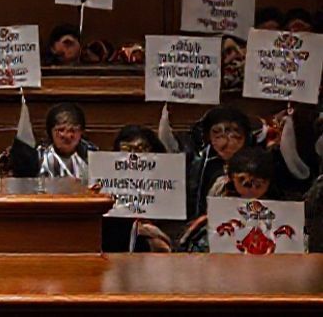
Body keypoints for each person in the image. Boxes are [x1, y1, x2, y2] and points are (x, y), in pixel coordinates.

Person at [178, 146, 279, 252]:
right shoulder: (221, 189)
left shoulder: (280, 202)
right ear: (230, 177)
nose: (250, 189)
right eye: (243, 182)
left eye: (258, 185)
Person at [101, 125, 173, 253]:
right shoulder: (108, 193)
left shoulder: (170, 188)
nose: (133, 158)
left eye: (141, 150)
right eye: (126, 150)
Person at [0, 102, 97, 179]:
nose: (67, 136)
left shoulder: (93, 155)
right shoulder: (37, 156)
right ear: (50, 132)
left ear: (81, 132)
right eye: (61, 130)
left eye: (73, 130)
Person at [185, 105, 257, 220]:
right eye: (217, 134)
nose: (226, 142)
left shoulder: (257, 164)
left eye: (236, 136)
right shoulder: (199, 164)